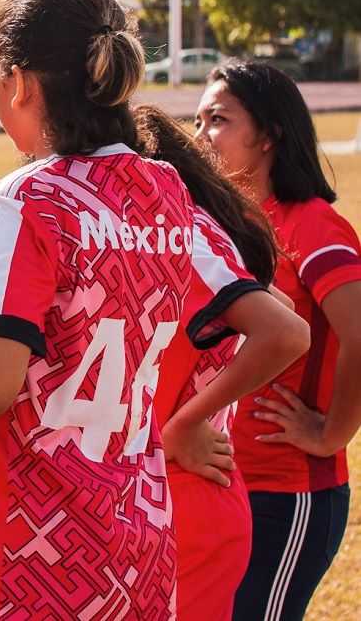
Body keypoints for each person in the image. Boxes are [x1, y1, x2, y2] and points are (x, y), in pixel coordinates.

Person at [0, 0, 266, 620]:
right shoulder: (167, 193)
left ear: (20, 84)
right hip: (136, 546)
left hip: (24, 550)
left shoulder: (27, 200)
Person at [195, 62, 361, 621]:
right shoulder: (227, 225)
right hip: (221, 484)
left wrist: (331, 432)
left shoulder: (310, 224)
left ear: (268, 135)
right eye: (198, 119)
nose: (200, 135)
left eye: (218, 119)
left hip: (287, 496)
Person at [136, 106, 309, 620]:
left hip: (179, 496)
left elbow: (287, 329)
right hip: (193, 494)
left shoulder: (176, 233)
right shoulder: (194, 234)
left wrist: (186, 421)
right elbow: (283, 307)